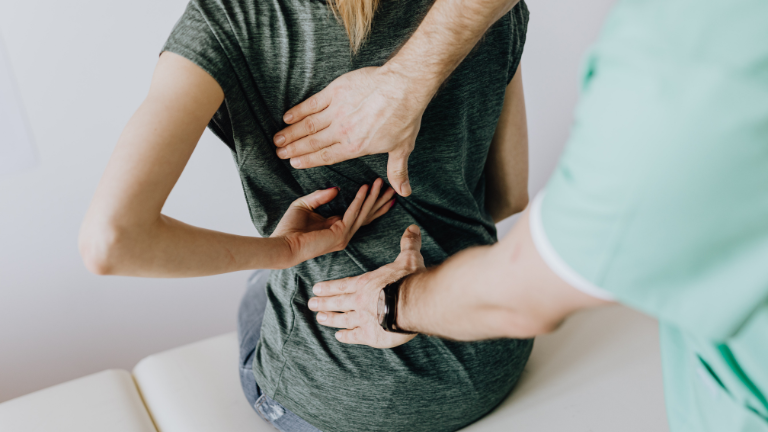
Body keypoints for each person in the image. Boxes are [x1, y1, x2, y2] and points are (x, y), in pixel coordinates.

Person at [303, 0, 768, 430]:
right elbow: (508, 198)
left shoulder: (682, 70)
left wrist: (390, 302)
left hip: (345, 391)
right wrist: (410, 78)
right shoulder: (499, 19)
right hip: (495, 362)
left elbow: (529, 291)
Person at [79, 0, 533, 430]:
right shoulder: (478, 11)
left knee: (259, 282)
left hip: (349, 401)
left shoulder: (228, 18)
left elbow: (113, 241)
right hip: (492, 350)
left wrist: (284, 250)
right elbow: (508, 197)